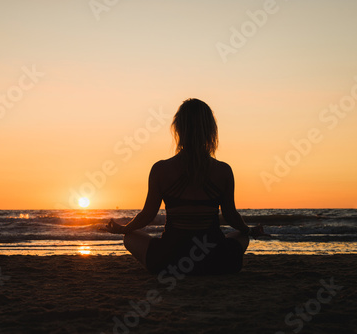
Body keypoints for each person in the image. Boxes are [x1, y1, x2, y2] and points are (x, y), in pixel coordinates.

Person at [103, 98, 269, 274]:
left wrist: (123, 229)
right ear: (210, 130)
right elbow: (231, 216)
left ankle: (165, 269)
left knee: (130, 237)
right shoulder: (223, 170)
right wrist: (250, 230)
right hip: (217, 259)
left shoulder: (161, 169)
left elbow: (147, 215)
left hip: (170, 259)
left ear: (178, 128)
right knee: (242, 236)